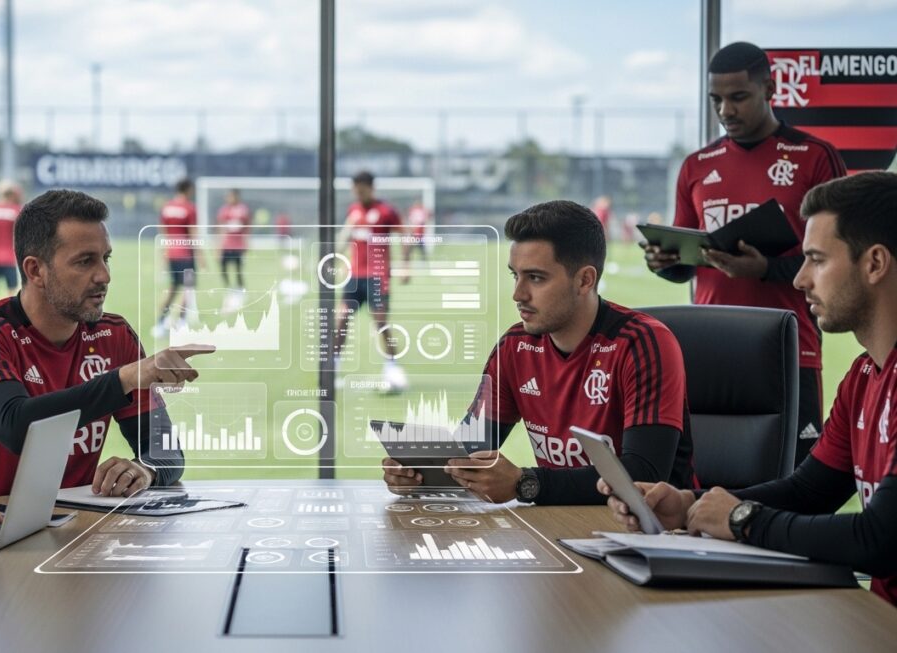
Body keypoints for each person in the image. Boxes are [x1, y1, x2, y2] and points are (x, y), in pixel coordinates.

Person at [604, 172, 897, 606]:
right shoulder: (863, 375)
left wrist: (742, 519)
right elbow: (809, 492)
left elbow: (881, 539)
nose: (799, 280)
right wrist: (688, 505)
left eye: (815, 259)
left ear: (874, 263)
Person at [384, 200, 695, 505]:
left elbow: (644, 476)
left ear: (585, 280)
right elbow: (468, 451)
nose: (518, 294)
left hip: (655, 538)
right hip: (560, 530)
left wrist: (526, 483)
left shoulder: (642, 343)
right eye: (515, 275)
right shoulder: (514, 348)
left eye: (535, 278)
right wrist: (421, 473)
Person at [642, 42, 847, 469]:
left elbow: (840, 256)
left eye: (738, 97)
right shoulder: (698, 165)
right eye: (716, 100)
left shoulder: (814, 157)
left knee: (795, 481)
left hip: (791, 347)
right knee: (704, 477)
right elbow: (687, 262)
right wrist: (667, 263)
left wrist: (767, 269)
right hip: (710, 348)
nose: (725, 111)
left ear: (769, 88)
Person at [0, 190, 213, 499]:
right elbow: (17, 427)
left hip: (69, 525)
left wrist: (144, 469)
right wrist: (124, 379)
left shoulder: (115, 336)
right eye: (85, 262)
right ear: (35, 270)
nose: (104, 275)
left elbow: (166, 451)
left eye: (105, 258)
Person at [333, 171, 411, 392]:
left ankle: (392, 367)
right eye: (355, 190)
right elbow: (346, 237)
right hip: (354, 276)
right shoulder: (353, 210)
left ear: (371, 188)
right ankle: (333, 367)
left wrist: (405, 264)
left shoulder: (386, 212)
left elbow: (406, 235)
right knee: (341, 320)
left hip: (377, 277)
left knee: (381, 323)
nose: (358, 193)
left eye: (362, 190)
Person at [153, 178, 201, 337]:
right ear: (188, 189)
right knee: (188, 288)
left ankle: (160, 323)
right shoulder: (189, 208)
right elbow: (193, 233)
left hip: (171, 253)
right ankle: (181, 322)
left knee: (173, 288)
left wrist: (164, 253)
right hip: (186, 254)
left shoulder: (167, 207)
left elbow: (163, 231)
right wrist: (200, 255)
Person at [216, 189, 250, 311]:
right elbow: (220, 228)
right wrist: (219, 246)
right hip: (227, 245)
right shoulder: (224, 210)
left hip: (238, 245)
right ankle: (229, 288)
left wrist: (246, 242)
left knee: (238, 269)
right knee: (223, 267)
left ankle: (241, 289)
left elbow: (247, 227)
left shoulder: (243, 210)